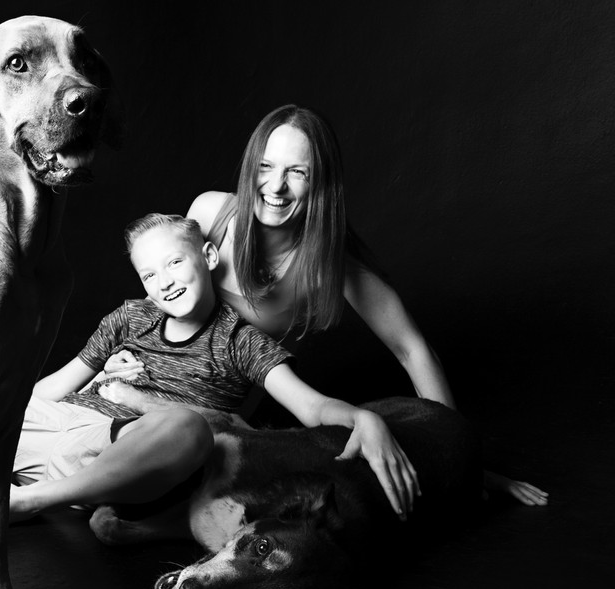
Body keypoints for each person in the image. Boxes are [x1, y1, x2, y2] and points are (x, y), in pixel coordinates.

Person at [106, 105, 547, 506]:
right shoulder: (212, 212)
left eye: (297, 171)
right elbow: (163, 293)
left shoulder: (332, 266)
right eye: (265, 167)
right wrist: (122, 353)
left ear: (320, 180)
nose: (275, 186)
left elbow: (413, 350)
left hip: (216, 414)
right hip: (147, 379)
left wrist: (463, 460)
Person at [0, 213, 420, 532]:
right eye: (149, 275)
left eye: (173, 263)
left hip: (119, 447)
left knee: (186, 429)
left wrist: (365, 418)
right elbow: (55, 387)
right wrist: (2, 401)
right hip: (52, 426)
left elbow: (312, 405)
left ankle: (29, 499)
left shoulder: (239, 341)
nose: (164, 282)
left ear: (208, 256)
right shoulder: (130, 317)